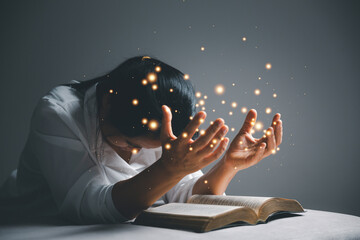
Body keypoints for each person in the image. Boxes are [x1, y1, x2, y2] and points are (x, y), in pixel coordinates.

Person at [0, 56, 282, 224]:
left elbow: (184, 193)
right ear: (107, 107)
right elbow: (91, 207)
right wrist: (167, 169)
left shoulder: (158, 119)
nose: (135, 154)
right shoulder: (58, 113)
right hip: (31, 225)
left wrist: (228, 166)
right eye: (127, 143)